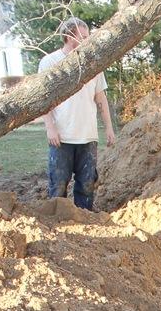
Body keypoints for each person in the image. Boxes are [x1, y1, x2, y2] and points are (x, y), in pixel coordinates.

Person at [39, 17, 116, 209]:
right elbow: (43, 99)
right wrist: (50, 128)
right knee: (58, 184)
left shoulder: (93, 63)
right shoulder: (50, 62)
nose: (86, 41)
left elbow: (101, 98)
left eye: (87, 36)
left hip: (88, 136)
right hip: (62, 137)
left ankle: (85, 221)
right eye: (81, 37)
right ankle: (57, 224)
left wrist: (109, 128)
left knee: (87, 185)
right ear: (67, 36)